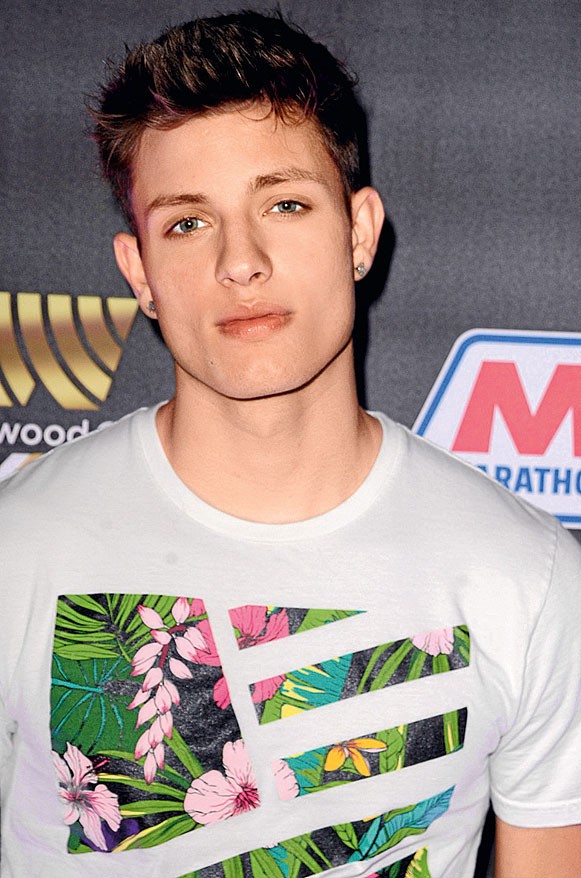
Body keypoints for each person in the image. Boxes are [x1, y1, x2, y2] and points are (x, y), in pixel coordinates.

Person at [0, 10, 579, 878]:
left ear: (358, 232)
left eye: (284, 204)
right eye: (187, 222)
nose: (240, 260)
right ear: (139, 271)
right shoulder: (17, 544)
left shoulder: (526, 577)